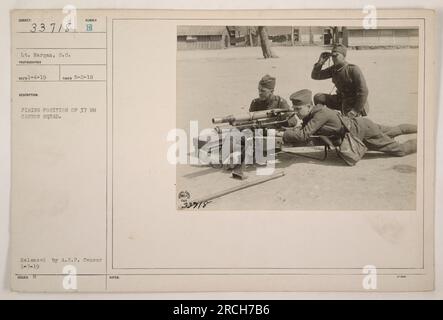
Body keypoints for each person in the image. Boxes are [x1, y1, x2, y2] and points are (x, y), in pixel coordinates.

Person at [279, 89, 417, 157]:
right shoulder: (314, 112)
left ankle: (426, 141)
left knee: (399, 150)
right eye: (294, 109)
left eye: (298, 109)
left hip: (360, 132)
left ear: (309, 106)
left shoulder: (320, 114)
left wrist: (283, 134)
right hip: (361, 124)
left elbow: (304, 135)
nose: (296, 112)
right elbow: (304, 129)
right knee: (395, 130)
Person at [311, 43, 369, 117]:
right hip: (341, 99)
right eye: (332, 56)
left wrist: (355, 110)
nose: (333, 58)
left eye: (336, 56)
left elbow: (363, 92)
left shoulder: (352, 69)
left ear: (343, 56)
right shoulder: (334, 69)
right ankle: (322, 118)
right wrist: (320, 63)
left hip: (354, 102)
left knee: (347, 124)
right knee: (318, 97)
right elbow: (315, 76)